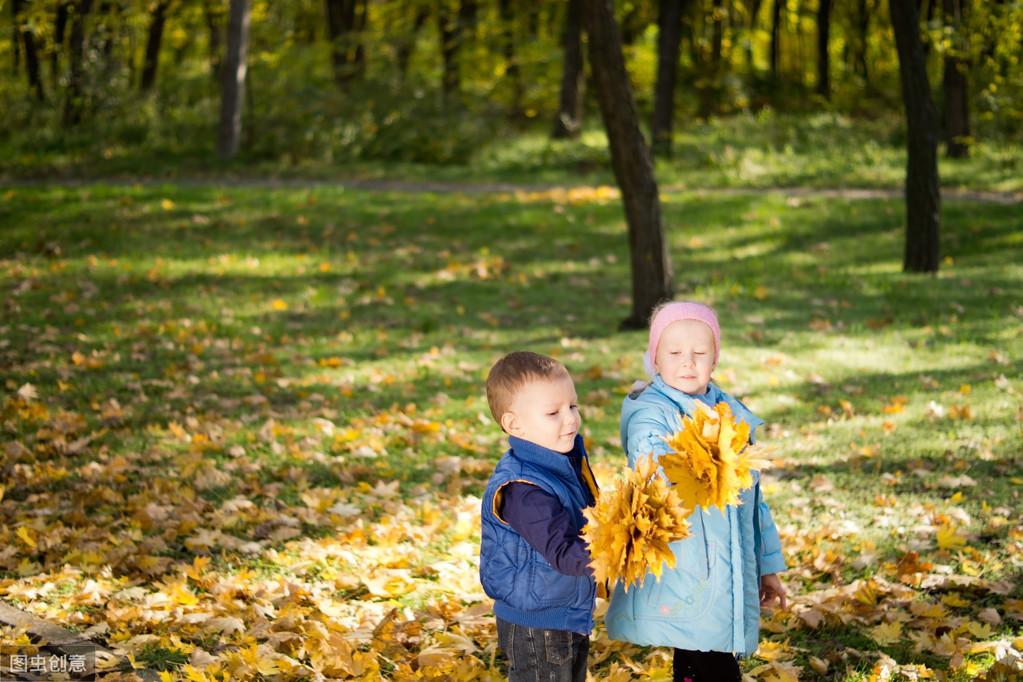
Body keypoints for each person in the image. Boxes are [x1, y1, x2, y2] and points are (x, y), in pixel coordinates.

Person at [605, 301, 787, 682]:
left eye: (699, 353)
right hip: (688, 569)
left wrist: (767, 564)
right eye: (674, 353)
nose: (687, 362)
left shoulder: (729, 413)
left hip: (727, 566)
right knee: (713, 661)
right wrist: (684, 462)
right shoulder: (651, 411)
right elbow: (650, 461)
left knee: (699, 657)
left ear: (714, 360)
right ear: (655, 360)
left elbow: (754, 502)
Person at [479, 351, 599, 682]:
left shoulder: (561, 461)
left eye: (573, 406)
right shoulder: (525, 489)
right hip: (538, 623)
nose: (571, 419)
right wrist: (617, 551)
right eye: (553, 412)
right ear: (514, 424)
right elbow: (563, 552)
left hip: (563, 610)